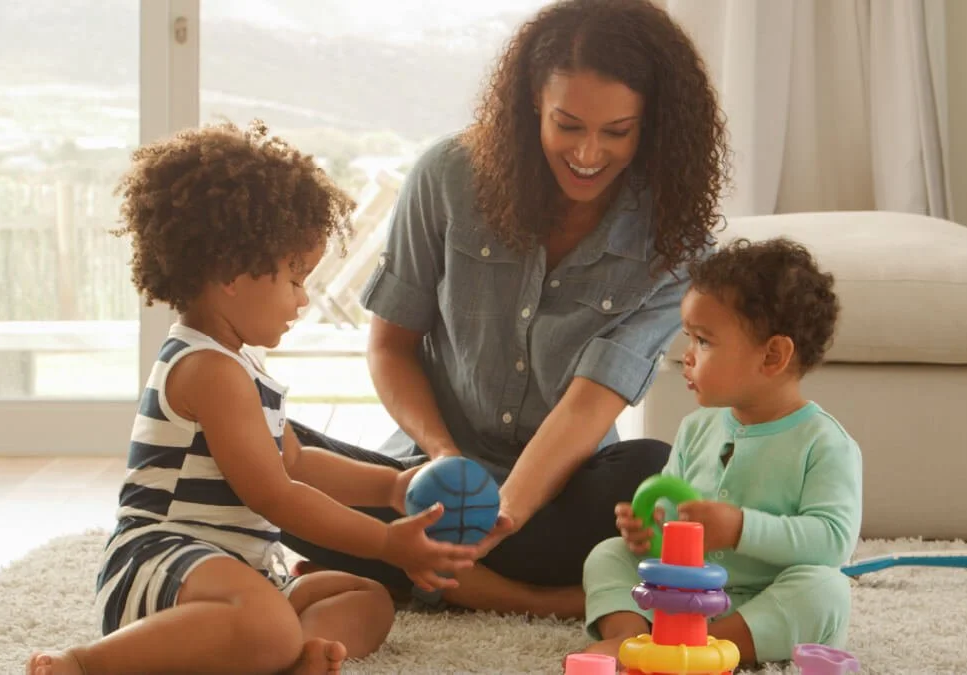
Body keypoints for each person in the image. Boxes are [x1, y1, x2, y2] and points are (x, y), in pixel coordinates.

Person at [281, 0, 730, 619]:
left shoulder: (676, 242)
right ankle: (517, 590)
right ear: (530, 109)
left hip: (557, 496)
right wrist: (442, 456)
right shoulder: (447, 177)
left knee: (650, 471)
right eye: (567, 125)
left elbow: (585, 408)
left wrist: (505, 513)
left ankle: (416, 573)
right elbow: (390, 347)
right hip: (426, 487)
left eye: (616, 131)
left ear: (652, 126)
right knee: (254, 447)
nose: (589, 152)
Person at [24, 121, 480, 675]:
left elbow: (296, 460)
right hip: (161, 565)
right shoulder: (207, 369)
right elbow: (277, 495)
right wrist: (386, 542)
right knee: (269, 622)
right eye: (294, 278)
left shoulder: (239, 365)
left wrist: (390, 485)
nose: (303, 298)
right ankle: (82, 665)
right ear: (230, 274)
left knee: (365, 600)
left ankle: (283, 656)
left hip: (240, 574)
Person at [580, 237, 863, 668]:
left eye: (703, 342)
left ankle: (711, 646)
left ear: (773, 356)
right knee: (608, 555)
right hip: (684, 592)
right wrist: (649, 532)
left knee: (825, 590)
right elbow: (675, 517)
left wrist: (740, 529)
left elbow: (832, 542)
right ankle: (630, 636)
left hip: (764, 599)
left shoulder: (823, 443)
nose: (686, 357)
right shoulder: (697, 429)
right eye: (688, 338)